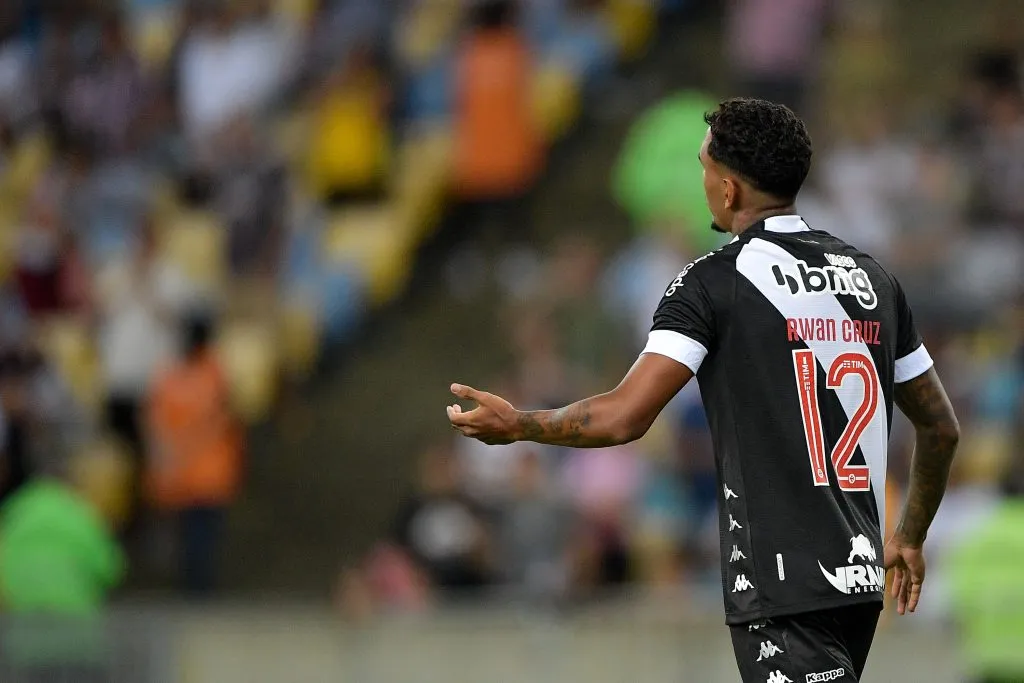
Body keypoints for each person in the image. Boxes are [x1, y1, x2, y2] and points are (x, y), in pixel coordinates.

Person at [446, 98, 960, 682]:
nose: (702, 182)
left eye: (703, 168)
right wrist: (909, 537)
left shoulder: (714, 281)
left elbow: (624, 417)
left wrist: (520, 425)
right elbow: (940, 428)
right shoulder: (873, 280)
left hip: (780, 579)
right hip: (856, 580)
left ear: (730, 188)